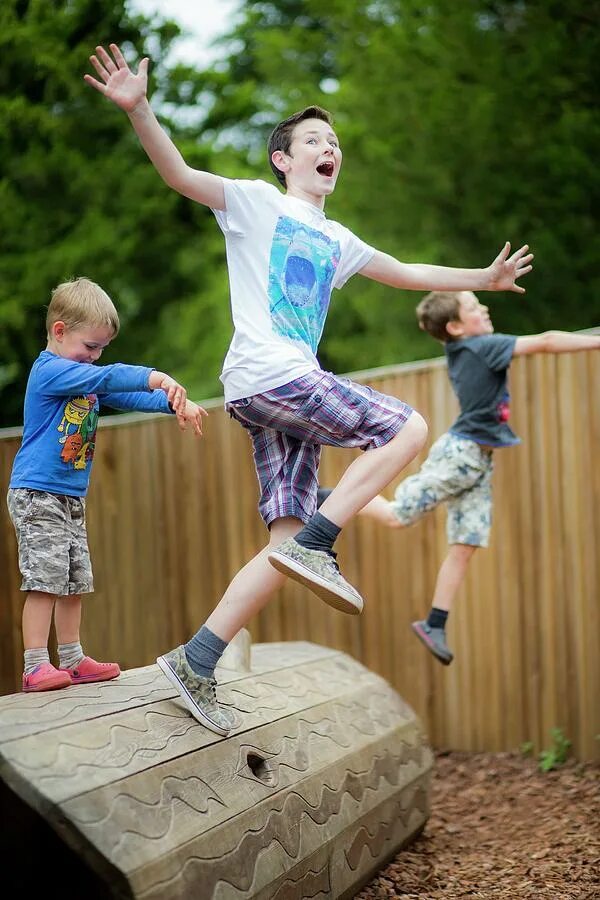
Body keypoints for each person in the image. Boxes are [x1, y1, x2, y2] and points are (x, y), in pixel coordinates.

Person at [84, 43, 533, 734]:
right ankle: (318, 541)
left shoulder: (338, 238)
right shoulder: (257, 204)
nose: (331, 149)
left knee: (281, 536)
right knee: (407, 428)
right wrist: (139, 108)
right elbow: (177, 174)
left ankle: (197, 657)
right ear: (283, 159)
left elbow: (409, 271)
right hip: (274, 375)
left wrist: (482, 277)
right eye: (315, 141)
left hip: (269, 394)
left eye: (335, 143)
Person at [323, 290, 600, 665]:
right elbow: (547, 341)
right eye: (473, 307)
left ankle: (435, 622)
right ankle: (325, 498)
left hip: (480, 460)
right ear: (455, 327)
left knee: (466, 543)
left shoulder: (466, 348)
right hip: (460, 455)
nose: (483, 308)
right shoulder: (480, 346)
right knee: (396, 516)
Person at [7, 277, 206, 692]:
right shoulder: (51, 372)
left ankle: (74, 659)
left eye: (101, 350)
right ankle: (34, 664)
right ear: (60, 332)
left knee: (74, 580)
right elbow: (112, 380)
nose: (94, 358)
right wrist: (155, 376)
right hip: (37, 492)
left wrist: (174, 404)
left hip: (69, 496)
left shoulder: (81, 373)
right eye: (90, 347)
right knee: (45, 579)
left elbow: (125, 396)